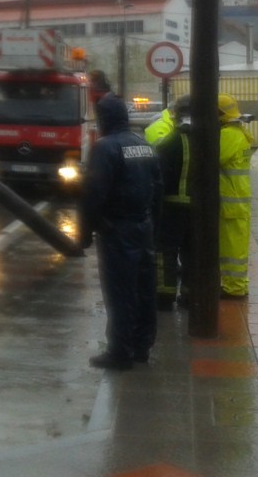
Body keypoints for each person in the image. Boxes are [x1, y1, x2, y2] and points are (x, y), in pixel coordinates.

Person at [78, 94, 163, 370]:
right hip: (144, 226)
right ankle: (142, 346)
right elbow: (158, 189)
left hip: (117, 229)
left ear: (103, 119)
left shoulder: (105, 148)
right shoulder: (143, 145)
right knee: (144, 288)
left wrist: (85, 232)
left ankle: (120, 351)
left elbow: (93, 194)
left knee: (120, 291)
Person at [153, 96, 194, 310]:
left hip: (171, 208)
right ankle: (189, 295)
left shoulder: (169, 143)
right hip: (198, 209)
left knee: (165, 251)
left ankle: (164, 295)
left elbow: (159, 180)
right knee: (192, 252)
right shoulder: (207, 142)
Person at [218, 94, 254, 298]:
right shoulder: (238, 132)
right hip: (237, 200)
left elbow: (211, 157)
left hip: (231, 202)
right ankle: (234, 285)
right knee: (234, 247)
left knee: (233, 250)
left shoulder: (229, 135)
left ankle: (235, 288)